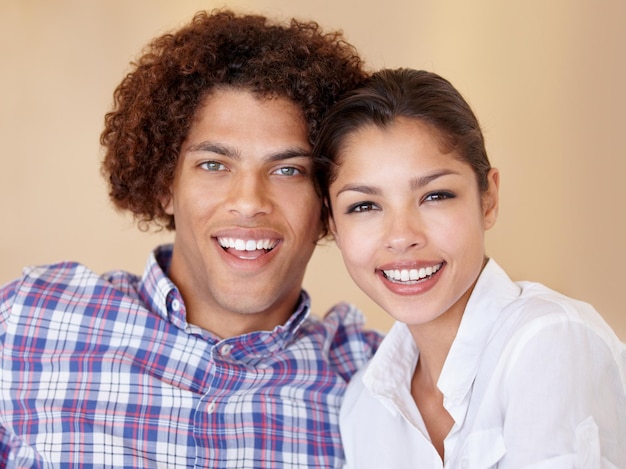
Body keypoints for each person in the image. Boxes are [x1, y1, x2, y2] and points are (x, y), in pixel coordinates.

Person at [0, 10, 382, 468]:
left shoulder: (375, 380)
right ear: (165, 185)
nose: (248, 201)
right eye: (214, 165)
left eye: (287, 170)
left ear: (329, 207)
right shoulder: (26, 322)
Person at [314, 68, 626, 468]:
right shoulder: (363, 404)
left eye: (436, 195)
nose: (402, 235)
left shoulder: (548, 341)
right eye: (364, 206)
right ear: (333, 224)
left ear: (488, 199)